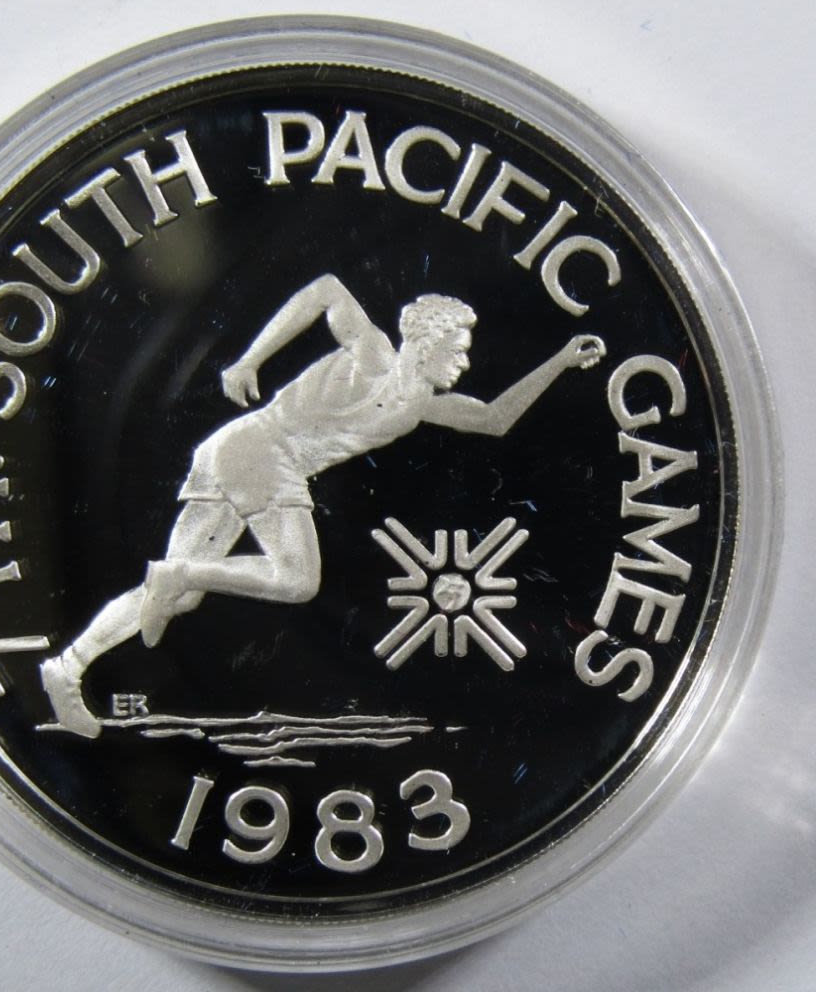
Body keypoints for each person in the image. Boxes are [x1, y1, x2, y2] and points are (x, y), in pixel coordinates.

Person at [41, 273, 605, 736]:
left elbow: (493, 418)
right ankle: (179, 573)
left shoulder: (419, 407)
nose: (464, 361)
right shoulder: (373, 355)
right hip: (263, 452)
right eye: (457, 348)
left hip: (230, 451)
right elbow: (326, 289)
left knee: (180, 600)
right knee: (295, 580)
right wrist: (248, 361)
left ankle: (66, 668)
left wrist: (558, 361)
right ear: (426, 344)